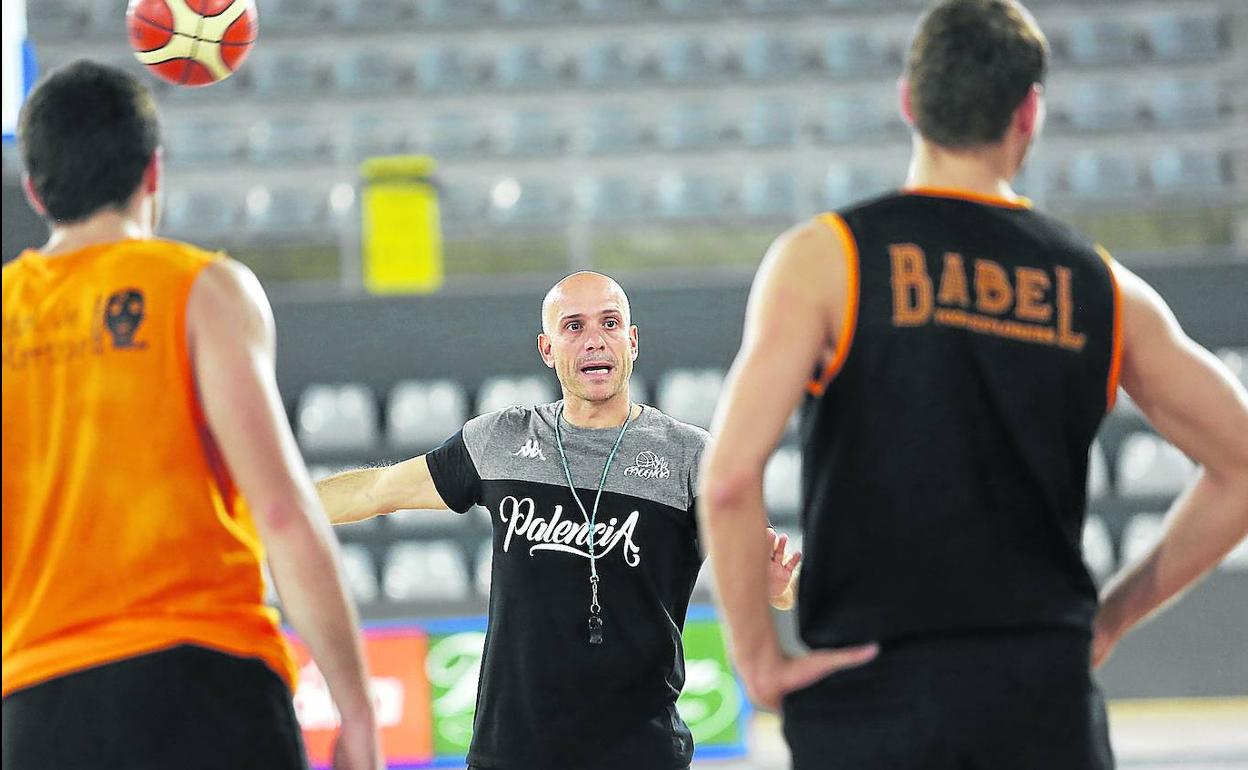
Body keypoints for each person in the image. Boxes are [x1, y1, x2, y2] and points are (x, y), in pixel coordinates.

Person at [698, 1, 1248, 768]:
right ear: (1030, 113)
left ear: (909, 101)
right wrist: (1110, 619)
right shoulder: (1103, 288)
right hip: (1043, 703)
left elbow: (726, 481)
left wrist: (759, 661)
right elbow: (1242, 467)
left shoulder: (826, 260)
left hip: (870, 703)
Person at [1, 60, 382, 770]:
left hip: (40, 709)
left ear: (35, 190)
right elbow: (282, 512)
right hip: (207, 684)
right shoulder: (203, 289)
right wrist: (355, 710)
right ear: (153, 173)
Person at [316, 270, 800, 770]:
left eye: (610, 323)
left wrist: (779, 586)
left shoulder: (691, 457)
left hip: (641, 754)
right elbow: (380, 490)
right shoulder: (500, 441)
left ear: (632, 341)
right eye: (574, 327)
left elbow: (769, 580)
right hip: (511, 754)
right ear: (547, 349)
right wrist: (262, 508)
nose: (595, 339)